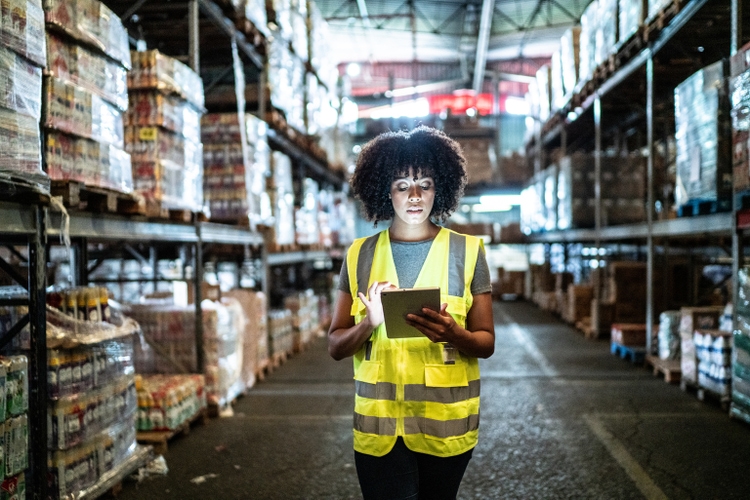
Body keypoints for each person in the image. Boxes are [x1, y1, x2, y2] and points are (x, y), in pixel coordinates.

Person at [328, 125, 496, 500]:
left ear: (442, 188)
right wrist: (369, 324)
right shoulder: (359, 255)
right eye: (402, 185)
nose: (415, 196)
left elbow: (485, 343)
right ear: (385, 191)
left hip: (445, 426)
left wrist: (455, 334)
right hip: (379, 429)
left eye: (426, 184)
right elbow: (336, 346)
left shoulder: (467, 252)